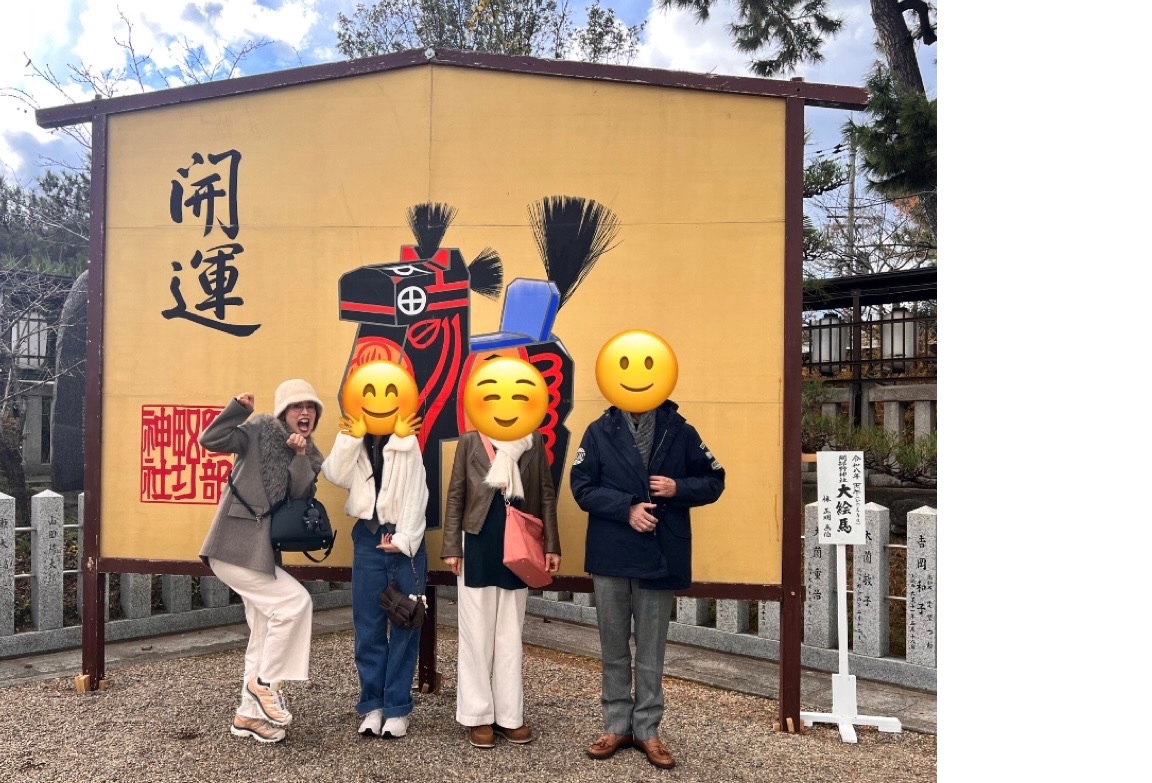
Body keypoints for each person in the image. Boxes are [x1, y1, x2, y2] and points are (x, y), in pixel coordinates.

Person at [570, 330, 726, 770]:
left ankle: (649, 730)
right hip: (611, 552)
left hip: (660, 554)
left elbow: (715, 480)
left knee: (652, 649)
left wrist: (678, 487)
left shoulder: (680, 430)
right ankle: (616, 725)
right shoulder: (599, 431)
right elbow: (582, 487)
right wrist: (626, 508)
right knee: (613, 645)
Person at [198, 379, 325, 744]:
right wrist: (238, 409)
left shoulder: (310, 455)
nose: (305, 412)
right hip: (232, 546)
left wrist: (299, 457)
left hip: (261, 555)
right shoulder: (258, 431)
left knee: (265, 631)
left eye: (311, 407)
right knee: (295, 602)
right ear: (284, 411)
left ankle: (248, 716)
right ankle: (264, 684)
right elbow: (211, 439)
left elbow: (299, 495)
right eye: (298, 406)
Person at [321, 361, 428, 740]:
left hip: (404, 538)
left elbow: (418, 494)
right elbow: (335, 474)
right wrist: (350, 438)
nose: (379, 399)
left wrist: (404, 540)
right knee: (367, 624)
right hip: (368, 537)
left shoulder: (407, 440)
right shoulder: (355, 439)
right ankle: (373, 705)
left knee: (405, 620)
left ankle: (397, 707)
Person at [441, 426, 561, 749]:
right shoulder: (470, 441)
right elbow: (456, 493)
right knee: (476, 634)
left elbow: (546, 494)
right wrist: (451, 546)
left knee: (510, 634)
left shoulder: (533, 440)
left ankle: (509, 715)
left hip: (519, 545)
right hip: (476, 542)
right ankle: (477, 715)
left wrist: (552, 544)